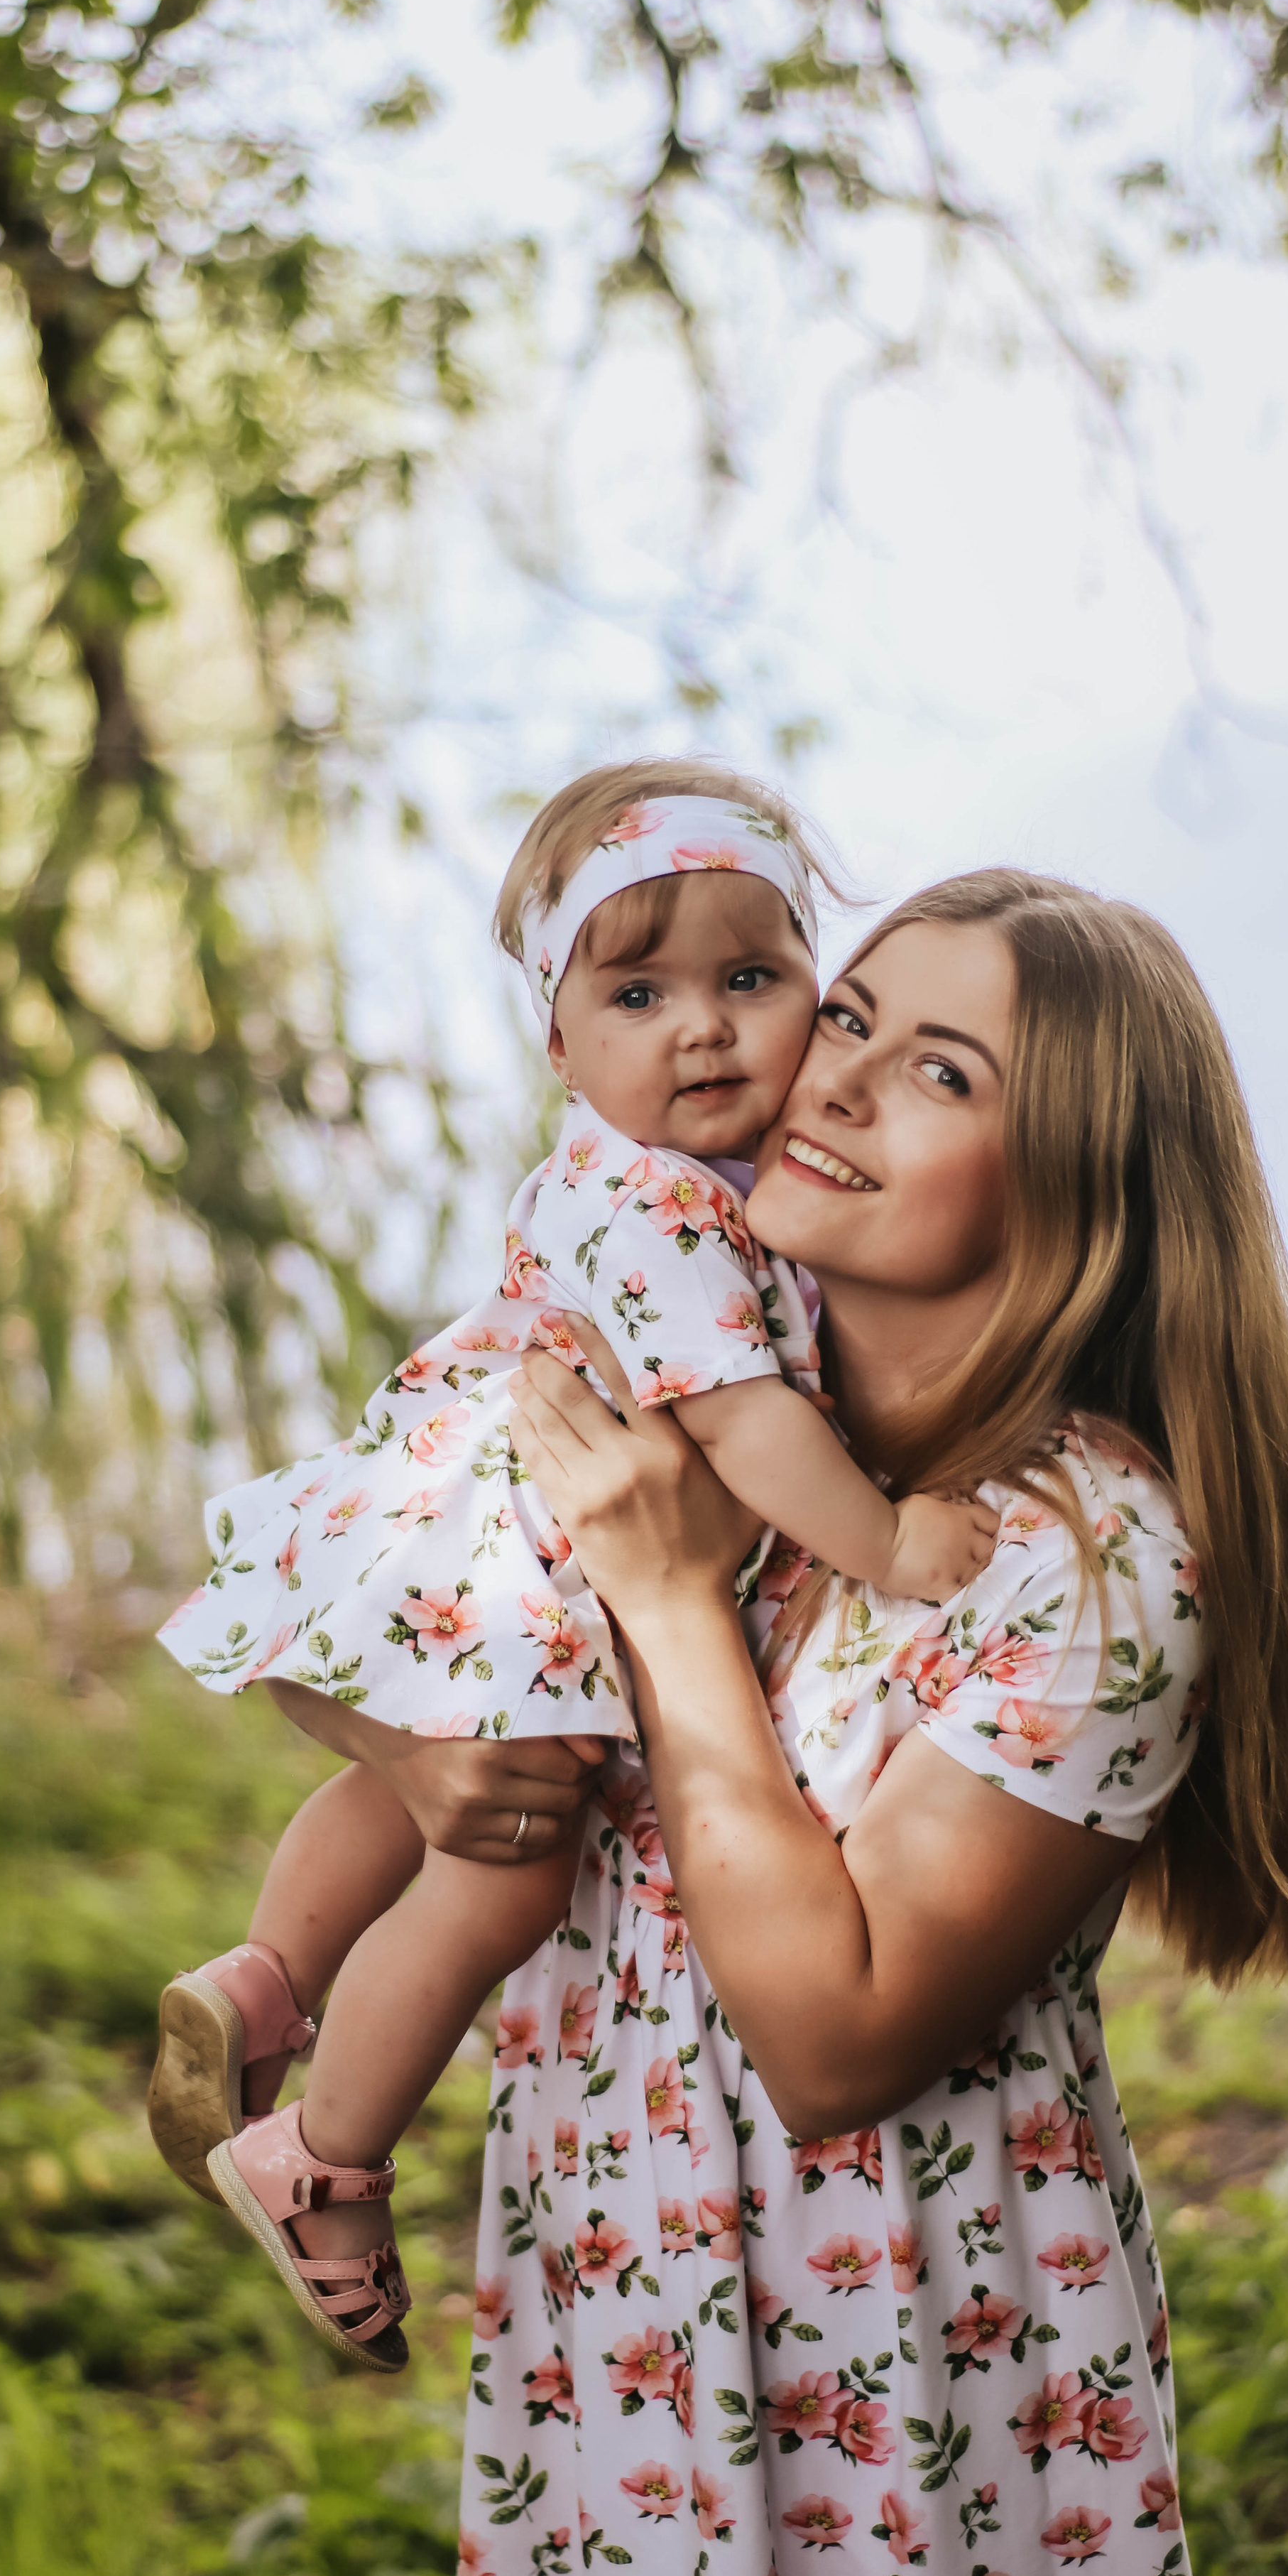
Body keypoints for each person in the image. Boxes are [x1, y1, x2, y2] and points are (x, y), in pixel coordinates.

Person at [399, 869, 1288, 2576]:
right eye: (845, 1015)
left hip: (894, 2360)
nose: (830, 1077)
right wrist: (413, 1761)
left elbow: (835, 2042)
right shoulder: (727, 1417)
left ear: (1074, 1187)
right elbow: (341, 1595)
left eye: (939, 1072)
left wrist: (668, 1606)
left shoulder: (1081, 1560)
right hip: (622, 2300)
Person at [148, 762, 996, 2371]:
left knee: (406, 1792)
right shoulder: (666, 1210)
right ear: (560, 1042)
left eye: (752, 981)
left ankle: (266, 1982)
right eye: (639, 994)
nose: (705, 1031)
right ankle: (320, 2156)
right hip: (523, 1545)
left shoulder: (639, 1178)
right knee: (508, 1870)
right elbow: (742, 1420)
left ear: (815, 989)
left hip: (466, 1535)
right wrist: (888, 1540)